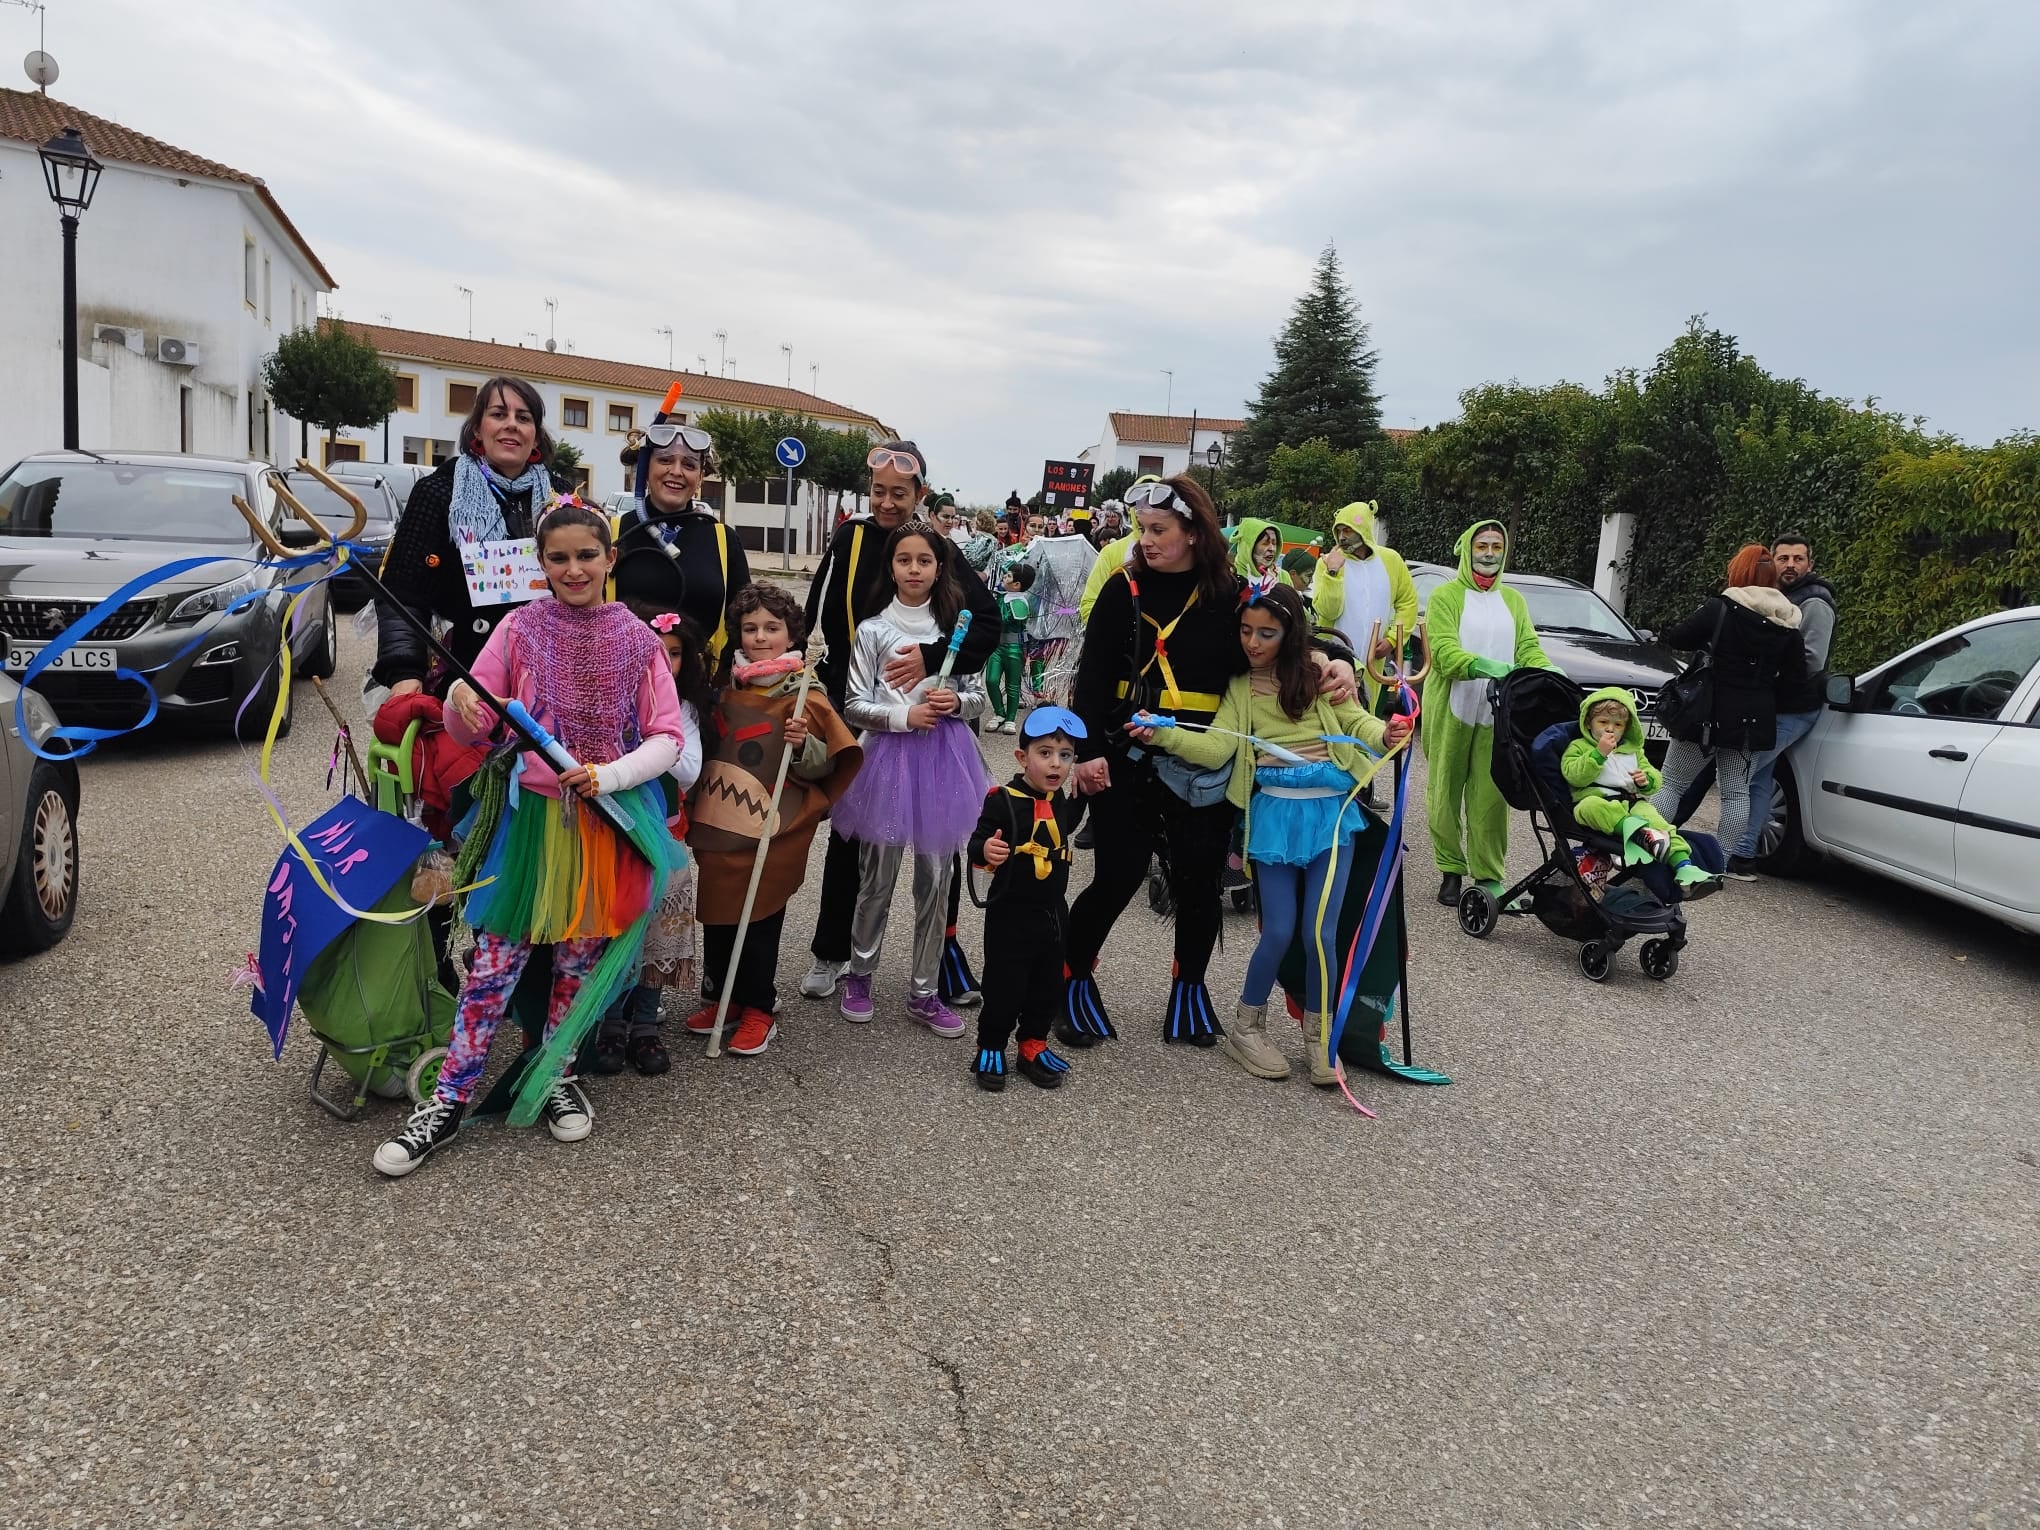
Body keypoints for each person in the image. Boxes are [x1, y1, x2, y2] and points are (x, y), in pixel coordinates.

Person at [373, 501, 685, 1177]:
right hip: (531, 828)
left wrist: (608, 775)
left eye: (586, 555)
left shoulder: (637, 640)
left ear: (609, 560)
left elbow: (667, 736)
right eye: (558, 558)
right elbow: (477, 721)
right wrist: (462, 707)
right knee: (494, 966)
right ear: (540, 564)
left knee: (577, 963)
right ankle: (448, 1100)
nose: (574, 569)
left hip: (605, 824)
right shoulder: (518, 629)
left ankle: (555, 1073)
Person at [1060, 475, 1361, 1049]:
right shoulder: (1123, 590)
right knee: (1118, 876)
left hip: (1203, 761)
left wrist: (1335, 659)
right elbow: (1092, 678)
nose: (1146, 541)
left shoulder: (1232, 595)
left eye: (1159, 530)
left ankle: (1189, 991)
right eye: (1143, 529)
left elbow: (1286, 630)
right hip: (1126, 752)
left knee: (1199, 883)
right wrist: (1088, 755)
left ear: (1195, 533)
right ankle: (1070, 981)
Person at [1131, 583, 1409, 1084]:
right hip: (1275, 818)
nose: (1253, 642)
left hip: (1331, 818)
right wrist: (1164, 733)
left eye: (1266, 633)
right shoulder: (1241, 688)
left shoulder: (1318, 674)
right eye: (1245, 631)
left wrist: (1386, 733)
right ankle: (1246, 1027)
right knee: (1279, 930)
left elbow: (1359, 724)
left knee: (1320, 933)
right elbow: (1217, 748)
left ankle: (1320, 1038)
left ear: (1291, 633)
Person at [799, 443, 999, 1000]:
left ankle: (940, 962)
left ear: (920, 495)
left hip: (931, 714)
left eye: (899, 494)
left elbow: (983, 624)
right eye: (879, 492)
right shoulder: (850, 537)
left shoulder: (936, 549)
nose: (887, 503)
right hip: (858, 701)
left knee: (938, 847)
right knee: (853, 840)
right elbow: (814, 608)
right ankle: (833, 952)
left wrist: (933, 662)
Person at [830, 520, 991, 1035]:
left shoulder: (955, 630)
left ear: (940, 568)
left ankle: (925, 990)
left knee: (936, 882)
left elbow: (979, 694)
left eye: (924, 560)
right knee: (876, 877)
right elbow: (855, 703)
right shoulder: (873, 630)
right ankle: (860, 975)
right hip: (888, 760)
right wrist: (904, 715)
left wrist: (955, 702)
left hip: (944, 759)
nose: (914, 569)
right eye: (904, 560)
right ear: (892, 567)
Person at [687, 583, 862, 1055]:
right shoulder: (727, 689)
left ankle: (760, 1006)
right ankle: (725, 998)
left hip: (773, 829)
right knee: (719, 913)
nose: (760, 637)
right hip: (723, 826)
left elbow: (829, 763)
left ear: (792, 634)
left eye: (771, 628)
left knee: (759, 916)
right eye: (750, 629)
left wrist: (805, 745)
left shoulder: (805, 694)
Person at [585, 607, 713, 1076]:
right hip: (613, 832)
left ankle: (644, 1024)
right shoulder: (607, 702)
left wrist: (653, 743)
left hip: (664, 835)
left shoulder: (683, 709)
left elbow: (689, 768)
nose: (662, 660)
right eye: (653, 651)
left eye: (673, 654)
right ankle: (610, 1022)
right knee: (617, 927)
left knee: (656, 929)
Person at [1421, 519, 1555, 907]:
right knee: (1445, 792)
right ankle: (1450, 869)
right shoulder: (1446, 597)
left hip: (1496, 714)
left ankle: (1489, 877)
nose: (1490, 554)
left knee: (1491, 798)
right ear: (1468, 550)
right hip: (1453, 707)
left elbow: (1527, 647)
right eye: (1483, 546)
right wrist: (1484, 666)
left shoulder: (1513, 601)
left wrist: (1546, 670)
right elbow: (1443, 652)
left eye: (1497, 547)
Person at [1649, 545, 1803, 865]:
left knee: (1672, 785)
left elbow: (1678, 637)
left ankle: (1648, 852)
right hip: (1752, 721)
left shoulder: (1721, 607)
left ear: (1738, 572)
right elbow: (1795, 678)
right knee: (1736, 794)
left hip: (1706, 714)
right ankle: (1718, 864)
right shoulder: (1788, 621)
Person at [968, 706, 1089, 1091]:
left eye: (1065, 755)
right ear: (1022, 757)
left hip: (1052, 913)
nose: (1056, 764)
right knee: (1005, 985)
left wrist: (1085, 794)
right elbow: (976, 841)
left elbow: (1065, 827)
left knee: (1047, 985)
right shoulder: (1002, 799)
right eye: (1045, 753)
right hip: (1011, 913)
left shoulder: (1059, 798)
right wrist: (986, 849)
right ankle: (991, 1044)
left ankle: (1033, 1044)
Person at [1730, 532, 1837, 876]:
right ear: (1773, 562)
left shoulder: (1815, 602)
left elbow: (1812, 661)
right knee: (1758, 776)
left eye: (1798, 559)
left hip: (1795, 707)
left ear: (1810, 563)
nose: (1790, 565)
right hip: (1776, 706)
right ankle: (1743, 854)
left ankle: (1735, 852)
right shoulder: (1781, 596)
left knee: (1742, 775)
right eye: (1784, 558)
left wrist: (1762, 673)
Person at [612, 416, 751, 665]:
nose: (676, 471)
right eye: (665, 460)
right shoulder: (613, 532)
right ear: (644, 469)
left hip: (701, 682)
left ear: (700, 476)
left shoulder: (723, 539)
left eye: (689, 464)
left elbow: (745, 621)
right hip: (624, 678)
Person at [1562, 688, 1718, 896]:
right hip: (1599, 801)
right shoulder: (1579, 746)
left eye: (1618, 725)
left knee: (1661, 824)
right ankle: (1639, 834)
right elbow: (1574, 775)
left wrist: (1645, 780)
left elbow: (1655, 779)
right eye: (1603, 722)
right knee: (1588, 808)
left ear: (1626, 728)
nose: (1610, 729)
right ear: (1589, 722)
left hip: (1633, 803)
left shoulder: (1632, 751)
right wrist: (1598, 754)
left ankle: (1684, 867)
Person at [1312, 501, 1421, 701]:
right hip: (1332, 660)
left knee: (1365, 712)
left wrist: (1392, 640)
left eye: (1348, 530)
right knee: (1330, 711)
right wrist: (1333, 573)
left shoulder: (1391, 560)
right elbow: (1328, 611)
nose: (1342, 537)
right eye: (1338, 531)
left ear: (1363, 530)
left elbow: (1407, 603)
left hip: (1372, 665)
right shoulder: (1327, 563)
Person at [1020, 514, 1097, 704]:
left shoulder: (1078, 567)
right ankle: (1038, 691)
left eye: (1040, 526)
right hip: (1042, 615)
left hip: (1063, 619)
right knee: (1037, 655)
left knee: (1056, 660)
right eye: (1032, 525)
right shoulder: (1044, 560)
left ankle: (1050, 694)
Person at [984, 561, 1033, 733]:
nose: (1004, 577)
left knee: (1013, 685)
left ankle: (1010, 719)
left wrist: (994, 607)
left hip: (1014, 648)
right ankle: (1000, 713)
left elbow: (1004, 620)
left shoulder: (1021, 602)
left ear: (1017, 584)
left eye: (1008, 575)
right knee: (991, 681)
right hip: (996, 647)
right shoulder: (1000, 596)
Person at [961, 509, 1002, 580]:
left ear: (980, 523)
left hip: (973, 576)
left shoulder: (984, 539)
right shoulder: (990, 539)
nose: (973, 522)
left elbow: (973, 560)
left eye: (975, 520)